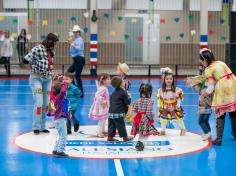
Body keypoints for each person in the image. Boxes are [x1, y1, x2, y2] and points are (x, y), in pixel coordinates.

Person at [199, 48, 236, 145]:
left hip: (223, 88)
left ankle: (219, 139)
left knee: (220, 112)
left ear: (205, 60)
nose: (202, 64)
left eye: (202, 62)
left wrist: (205, 93)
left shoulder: (208, 69)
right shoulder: (220, 62)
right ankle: (235, 134)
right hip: (233, 83)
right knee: (233, 111)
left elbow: (211, 86)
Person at [24, 33, 59, 135]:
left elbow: (49, 65)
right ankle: (36, 126)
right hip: (36, 79)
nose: (55, 45)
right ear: (50, 41)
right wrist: (33, 70)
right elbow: (25, 60)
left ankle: (43, 126)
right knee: (39, 103)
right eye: (55, 43)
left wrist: (52, 73)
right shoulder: (37, 49)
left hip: (47, 79)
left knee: (46, 103)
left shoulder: (51, 52)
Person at [187, 65, 213, 141]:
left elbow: (204, 101)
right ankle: (208, 133)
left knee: (201, 121)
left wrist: (201, 110)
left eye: (195, 86)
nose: (194, 88)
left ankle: (207, 132)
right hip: (206, 107)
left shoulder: (203, 91)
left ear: (198, 85)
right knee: (205, 121)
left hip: (206, 107)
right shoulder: (201, 91)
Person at [131, 83, 159, 151]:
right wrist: (151, 118)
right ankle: (141, 143)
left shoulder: (138, 100)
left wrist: (137, 116)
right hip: (145, 119)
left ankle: (139, 142)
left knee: (141, 132)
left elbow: (133, 109)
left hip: (138, 118)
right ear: (150, 92)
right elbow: (149, 111)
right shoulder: (150, 101)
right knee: (146, 132)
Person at [107, 76, 133, 142]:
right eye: (123, 81)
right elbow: (127, 102)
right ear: (121, 83)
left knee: (111, 125)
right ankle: (125, 138)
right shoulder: (123, 92)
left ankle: (110, 137)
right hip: (118, 112)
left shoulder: (113, 92)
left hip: (110, 112)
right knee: (121, 125)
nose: (124, 82)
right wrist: (129, 97)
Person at [89, 73, 110, 137]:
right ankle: (99, 132)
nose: (110, 80)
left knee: (104, 118)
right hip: (102, 106)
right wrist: (103, 101)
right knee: (102, 119)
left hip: (104, 106)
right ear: (103, 80)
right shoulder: (103, 88)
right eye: (108, 79)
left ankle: (102, 130)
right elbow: (97, 95)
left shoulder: (104, 88)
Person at [52, 79, 70, 158]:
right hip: (60, 120)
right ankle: (60, 151)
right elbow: (63, 91)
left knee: (60, 135)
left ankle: (56, 149)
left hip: (60, 119)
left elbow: (64, 108)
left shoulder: (61, 98)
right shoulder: (59, 97)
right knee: (64, 136)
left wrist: (68, 115)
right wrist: (65, 83)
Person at [67, 25, 85, 98]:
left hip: (79, 59)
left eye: (76, 32)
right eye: (74, 32)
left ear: (79, 32)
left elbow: (79, 49)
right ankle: (76, 90)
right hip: (76, 59)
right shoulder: (75, 40)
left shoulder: (80, 40)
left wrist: (71, 43)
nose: (75, 33)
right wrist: (71, 43)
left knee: (77, 76)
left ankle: (80, 93)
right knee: (69, 73)